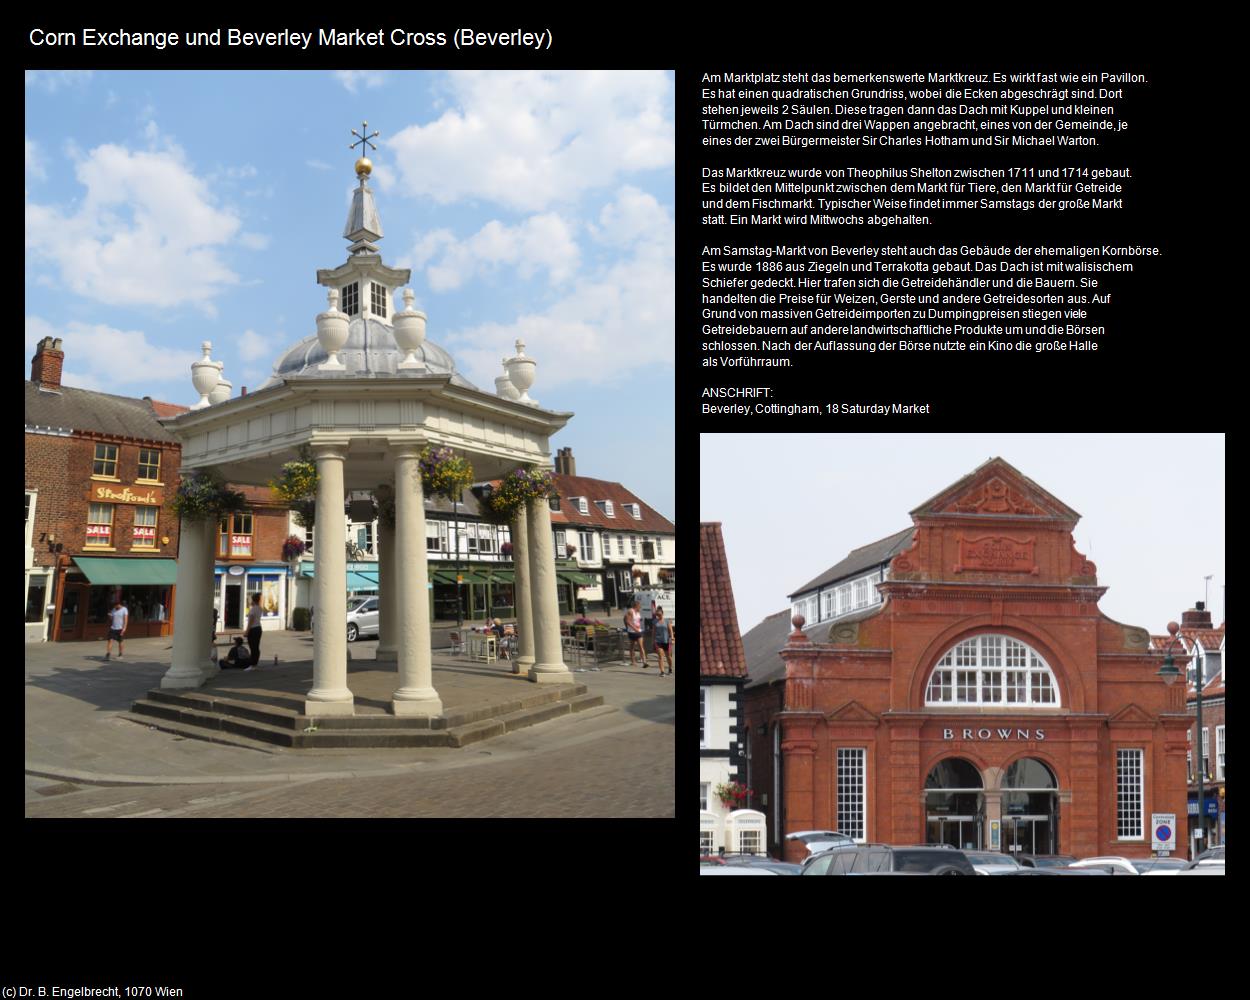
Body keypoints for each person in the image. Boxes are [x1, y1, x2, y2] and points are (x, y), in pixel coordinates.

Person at [244, 592, 263, 670]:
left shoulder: (253, 609)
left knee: (253, 647)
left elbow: (250, 622)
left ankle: (252, 665)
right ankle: (255, 664)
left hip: (253, 629)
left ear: (253, 600)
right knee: (256, 647)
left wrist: (246, 632)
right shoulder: (259, 608)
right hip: (258, 628)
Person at [625, 601, 647, 668]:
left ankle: (644, 662)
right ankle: (633, 661)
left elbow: (637, 620)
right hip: (632, 632)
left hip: (639, 632)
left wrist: (639, 624)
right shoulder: (630, 611)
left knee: (641, 646)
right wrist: (635, 628)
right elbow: (627, 621)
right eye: (639, 606)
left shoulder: (638, 612)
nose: (640, 607)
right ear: (636, 606)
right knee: (632, 647)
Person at [653, 607, 674, 676]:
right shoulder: (655, 621)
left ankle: (670, 668)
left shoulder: (667, 621)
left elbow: (670, 631)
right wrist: (653, 641)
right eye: (657, 615)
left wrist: (672, 639)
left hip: (667, 641)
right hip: (658, 641)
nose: (659, 616)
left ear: (662, 614)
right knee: (660, 656)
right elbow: (654, 631)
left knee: (668, 656)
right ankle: (662, 672)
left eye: (660, 615)